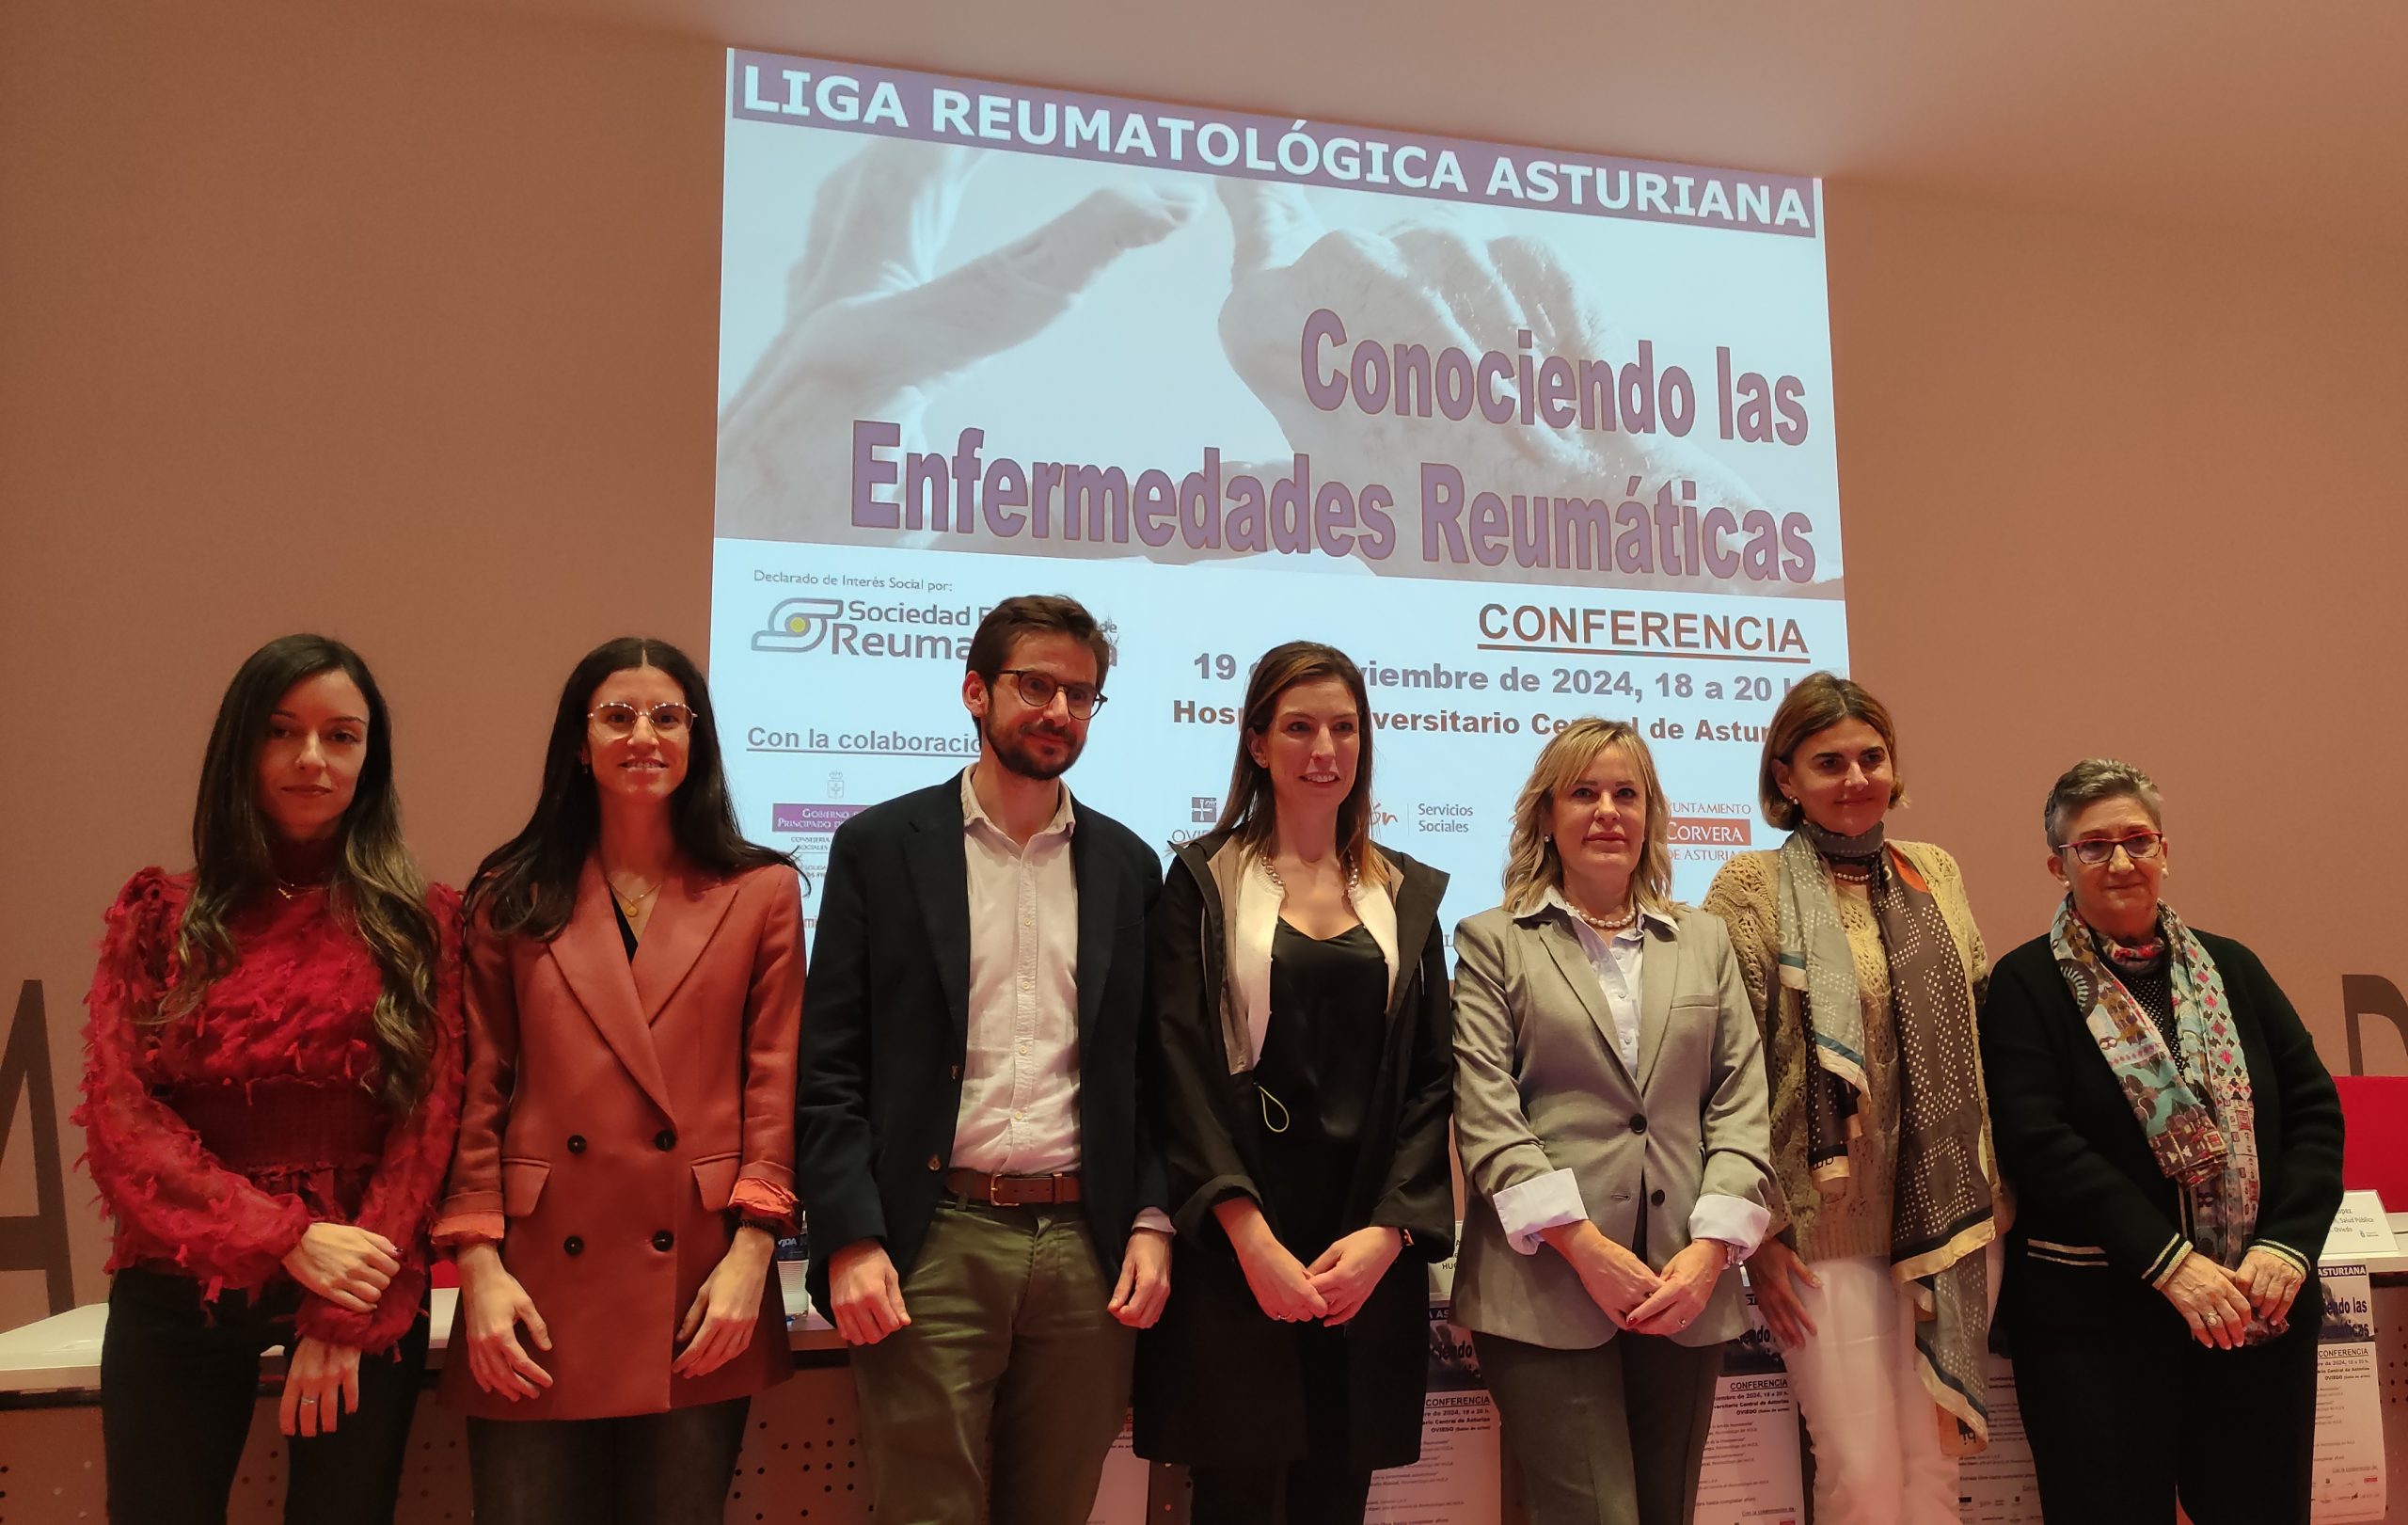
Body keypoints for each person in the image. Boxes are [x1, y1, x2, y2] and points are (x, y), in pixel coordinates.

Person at [796, 594, 1172, 1525]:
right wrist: (850, 1234)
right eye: (1034, 686)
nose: (1058, 711)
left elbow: (1149, 1074)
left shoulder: (1128, 866)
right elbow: (830, 1062)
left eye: (1079, 695)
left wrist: (1153, 1220)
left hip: (1085, 1249)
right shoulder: (880, 848)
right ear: (975, 691)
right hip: (933, 1237)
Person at [77, 633, 464, 1525]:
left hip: (361, 1273)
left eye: (342, 736)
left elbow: (428, 1120)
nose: (311, 758)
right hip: (181, 1281)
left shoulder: (422, 922)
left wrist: (344, 1309)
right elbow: (122, 1120)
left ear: (370, 759)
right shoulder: (160, 915)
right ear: (240, 746)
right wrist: (284, 1236)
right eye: (282, 731)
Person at [433, 637, 803, 1525]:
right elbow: (478, 1089)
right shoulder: (511, 892)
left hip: (701, 1277)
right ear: (579, 739)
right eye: (618, 715)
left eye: (668, 716)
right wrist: (477, 1266)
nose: (644, 735)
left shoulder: (761, 889)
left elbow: (776, 1081)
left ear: (696, 738)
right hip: (533, 1282)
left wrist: (754, 1253)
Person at [1134, 643, 1456, 1524]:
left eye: (1344, 728)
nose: (1325, 749)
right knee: (1234, 1497)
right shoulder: (1201, 883)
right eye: (1300, 727)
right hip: (1239, 1248)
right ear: (1256, 743)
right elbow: (1178, 1067)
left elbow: (1432, 1079)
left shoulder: (1405, 894)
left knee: (1337, 1497)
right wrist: (1248, 1235)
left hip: (1362, 1251)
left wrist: (1389, 1232)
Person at [1980, 759, 2342, 1525]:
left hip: (2254, 1315)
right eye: (2094, 845)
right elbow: (2040, 1143)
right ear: (2058, 864)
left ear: (2165, 851)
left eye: (2137, 840)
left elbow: (2314, 1113)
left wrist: (2287, 1246)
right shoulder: (2025, 983)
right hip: (2096, 1329)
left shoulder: (2233, 968)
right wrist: (2171, 1263)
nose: (2121, 861)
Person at [1451, 718, 1773, 1525]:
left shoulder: (1704, 940)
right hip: (1543, 1286)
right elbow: (1489, 1116)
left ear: (1650, 814)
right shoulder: (1492, 942)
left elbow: (1739, 1103)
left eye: (1626, 793)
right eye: (1583, 793)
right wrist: (1586, 1248)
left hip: (1683, 1287)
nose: (1606, 811)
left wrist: (1710, 1253)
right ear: (1546, 815)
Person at [1701, 672, 1997, 1525]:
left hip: (1954, 1218)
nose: (1856, 777)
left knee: (1935, 1473)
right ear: (1785, 777)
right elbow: (1726, 1069)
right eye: (1829, 762)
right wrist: (1760, 1232)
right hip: (1820, 1235)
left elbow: (1978, 1026)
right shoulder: (1749, 886)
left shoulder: (1934, 871)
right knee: (1861, 1477)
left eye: (1872, 756)